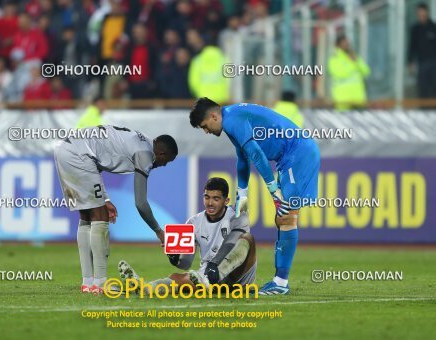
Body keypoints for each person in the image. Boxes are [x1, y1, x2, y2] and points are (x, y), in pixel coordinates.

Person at [189, 98, 320, 295]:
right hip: (291, 155)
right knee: (283, 219)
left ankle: (281, 283)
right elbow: (243, 158)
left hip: (297, 154)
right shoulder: (231, 119)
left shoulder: (232, 120)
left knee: (286, 217)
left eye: (205, 126)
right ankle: (279, 281)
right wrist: (242, 192)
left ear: (213, 116)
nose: (206, 131)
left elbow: (257, 155)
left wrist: (274, 191)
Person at [53, 126, 178, 294]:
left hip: (65, 149)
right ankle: (100, 283)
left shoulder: (143, 141)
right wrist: (158, 231)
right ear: (161, 154)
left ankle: (88, 282)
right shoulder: (145, 154)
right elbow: (140, 203)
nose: (163, 165)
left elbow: (96, 163)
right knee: (100, 216)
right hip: (79, 154)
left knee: (86, 215)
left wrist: (105, 199)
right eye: (167, 161)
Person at [118, 177, 257, 295]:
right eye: (207, 197)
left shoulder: (238, 216)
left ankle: (209, 277)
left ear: (226, 201)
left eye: (216, 199)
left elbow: (231, 243)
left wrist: (214, 265)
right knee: (177, 278)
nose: (210, 203)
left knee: (248, 239)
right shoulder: (193, 222)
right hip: (210, 280)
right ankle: (142, 289)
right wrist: (174, 256)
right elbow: (185, 263)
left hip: (238, 280)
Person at [327, 35, 370, 110]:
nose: (346, 45)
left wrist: (357, 62)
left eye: (347, 43)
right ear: (338, 45)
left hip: (358, 98)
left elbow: (366, 72)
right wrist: (352, 63)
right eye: (344, 43)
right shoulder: (334, 59)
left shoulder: (354, 56)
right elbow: (339, 74)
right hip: (343, 99)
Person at [408, 2, 436, 101]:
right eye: (419, 14)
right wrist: (410, 61)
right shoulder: (415, 29)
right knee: (422, 89)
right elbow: (412, 46)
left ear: (427, 13)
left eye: (422, 13)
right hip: (422, 63)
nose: (421, 16)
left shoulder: (433, 27)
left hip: (434, 64)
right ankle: (424, 112)